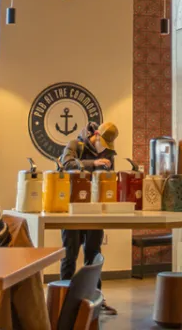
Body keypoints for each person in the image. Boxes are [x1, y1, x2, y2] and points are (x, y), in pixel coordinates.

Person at [59, 121, 119, 315]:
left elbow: (109, 179)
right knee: (70, 255)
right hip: (73, 209)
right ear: (97, 135)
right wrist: (93, 164)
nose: (105, 151)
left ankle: (96, 299)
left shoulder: (108, 153)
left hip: (96, 209)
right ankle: (63, 301)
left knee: (94, 255)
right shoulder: (74, 145)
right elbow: (66, 164)